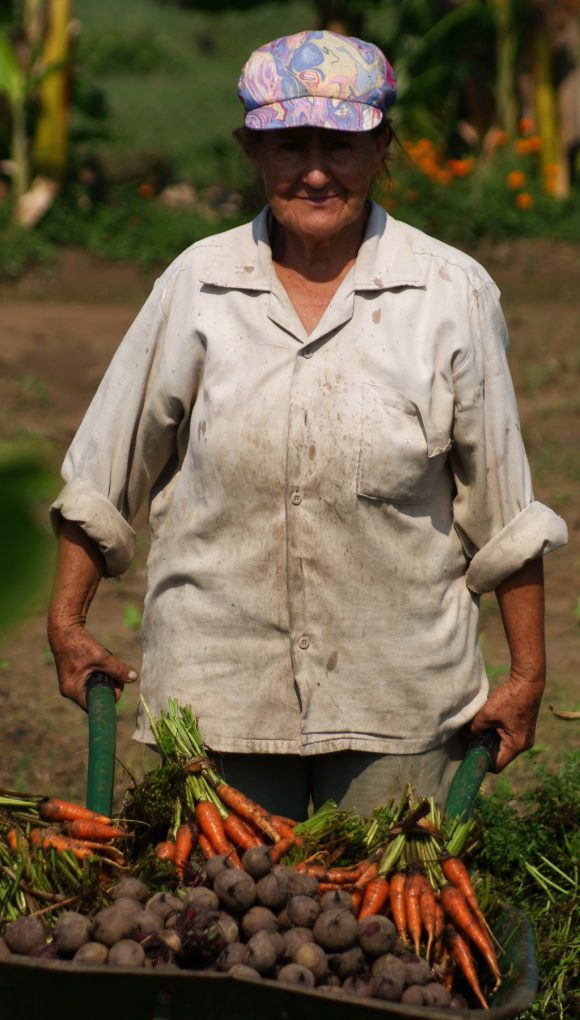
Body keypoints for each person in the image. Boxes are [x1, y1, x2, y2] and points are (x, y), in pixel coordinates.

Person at [47, 30, 567, 820]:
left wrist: (526, 676)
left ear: (381, 150)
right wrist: (67, 621)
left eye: (342, 144)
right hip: (216, 705)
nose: (316, 169)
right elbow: (104, 475)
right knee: (215, 926)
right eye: (291, 144)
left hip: (400, 700)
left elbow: (503, 506)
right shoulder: (197, 286)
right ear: (253, 151)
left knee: (385, 935)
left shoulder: (450, 294)